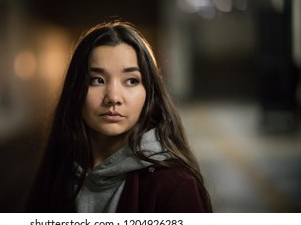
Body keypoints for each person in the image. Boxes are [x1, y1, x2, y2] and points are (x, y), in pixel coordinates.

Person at [28, 21, 212, 213]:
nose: (113, 98)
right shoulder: (59, 171)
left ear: (150, 93)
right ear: (75, 90)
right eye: (96, 80)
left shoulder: (175, 186)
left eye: (131, 81)